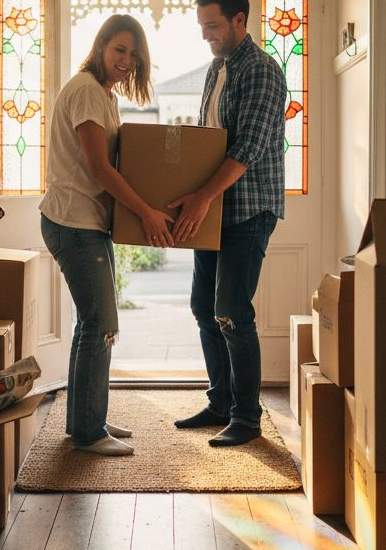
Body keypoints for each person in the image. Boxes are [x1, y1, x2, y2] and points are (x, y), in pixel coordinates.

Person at [40, 14, 176, 456]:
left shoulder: (102, 94)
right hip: (74, 222)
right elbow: (100, 170)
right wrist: (147, 214)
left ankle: (86, 419)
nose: (126, 60)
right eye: (120, 50)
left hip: (86, 223)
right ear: (100, 46)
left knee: (92, 324)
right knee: (99, 325)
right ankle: (87, 431)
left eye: (133, 55)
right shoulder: (85, 91)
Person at [170, 0, 286, 447]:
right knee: (204, 307)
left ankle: (247, 418)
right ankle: (219, 402)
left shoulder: (260, 70)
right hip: (212, 210)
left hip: (247, 210)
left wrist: (200, 200)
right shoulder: (215, 69)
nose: (205, 35)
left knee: (232, 313)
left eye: (213, 25)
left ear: (241, 20)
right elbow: (206, 141)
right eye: (201, 26)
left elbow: (247, 148)